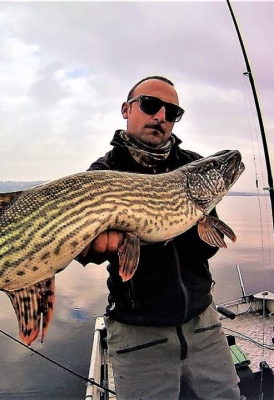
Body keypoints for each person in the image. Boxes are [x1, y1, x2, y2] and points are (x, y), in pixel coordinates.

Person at [77, 76, 240, 399]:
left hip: (203, 324)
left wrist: (194, 218)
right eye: (151, 105)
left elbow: (206, 251)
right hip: (139, 336)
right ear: (126, 109)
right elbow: (82, 248)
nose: (161, 117)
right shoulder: (103, 172)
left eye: (172, 112)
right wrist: (92, 248)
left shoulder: (192, 166)